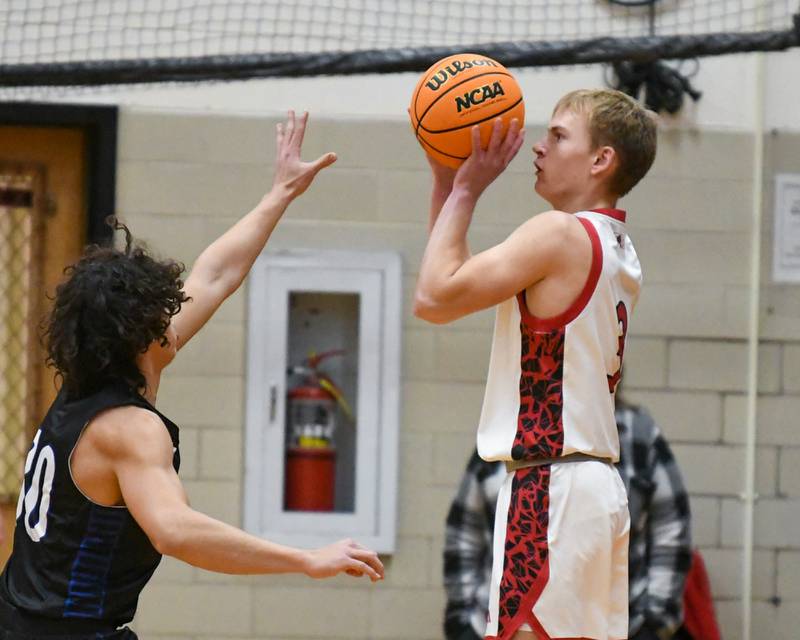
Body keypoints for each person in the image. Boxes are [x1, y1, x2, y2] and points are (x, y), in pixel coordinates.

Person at [0, 111, 384, 640]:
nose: (173, 317)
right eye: (162, 313)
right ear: (141, 337)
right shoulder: (129, 429)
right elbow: (175, 531)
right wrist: (305, 558)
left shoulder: (88, 389)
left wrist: (281, 193)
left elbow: (216, 276)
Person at [414, 89, 657, 640]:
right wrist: (448, 189)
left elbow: (432, 299)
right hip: (591, 490)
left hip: (553, 490)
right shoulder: (614, 242)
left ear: (601, 160)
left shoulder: (558, 233)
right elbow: (451, 280)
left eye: (558, 135)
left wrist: (468, 189)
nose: (538, 147)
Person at [443, 399, 692, 640]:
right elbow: (464, 528)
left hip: (615, 622)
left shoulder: (636, 433)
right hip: (511, 623)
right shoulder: (506, 429)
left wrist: (655, 622)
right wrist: (463, 622)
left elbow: (671, 526)